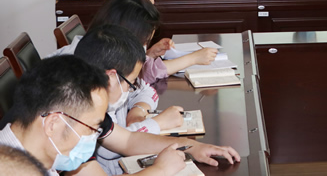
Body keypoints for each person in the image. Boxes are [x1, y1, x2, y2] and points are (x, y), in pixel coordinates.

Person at [73, 25, 239, 175]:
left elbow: (128, 140)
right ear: (111, 77)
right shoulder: (73, 120)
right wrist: (161, 169)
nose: (130, 90)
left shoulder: (92, 109)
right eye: (130, 83)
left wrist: (192, 146)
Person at [0, 55, 184, 176]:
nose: (94, 138)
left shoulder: (38, 156)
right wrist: (160, 170)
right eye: (92, 129)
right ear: (53, 124)